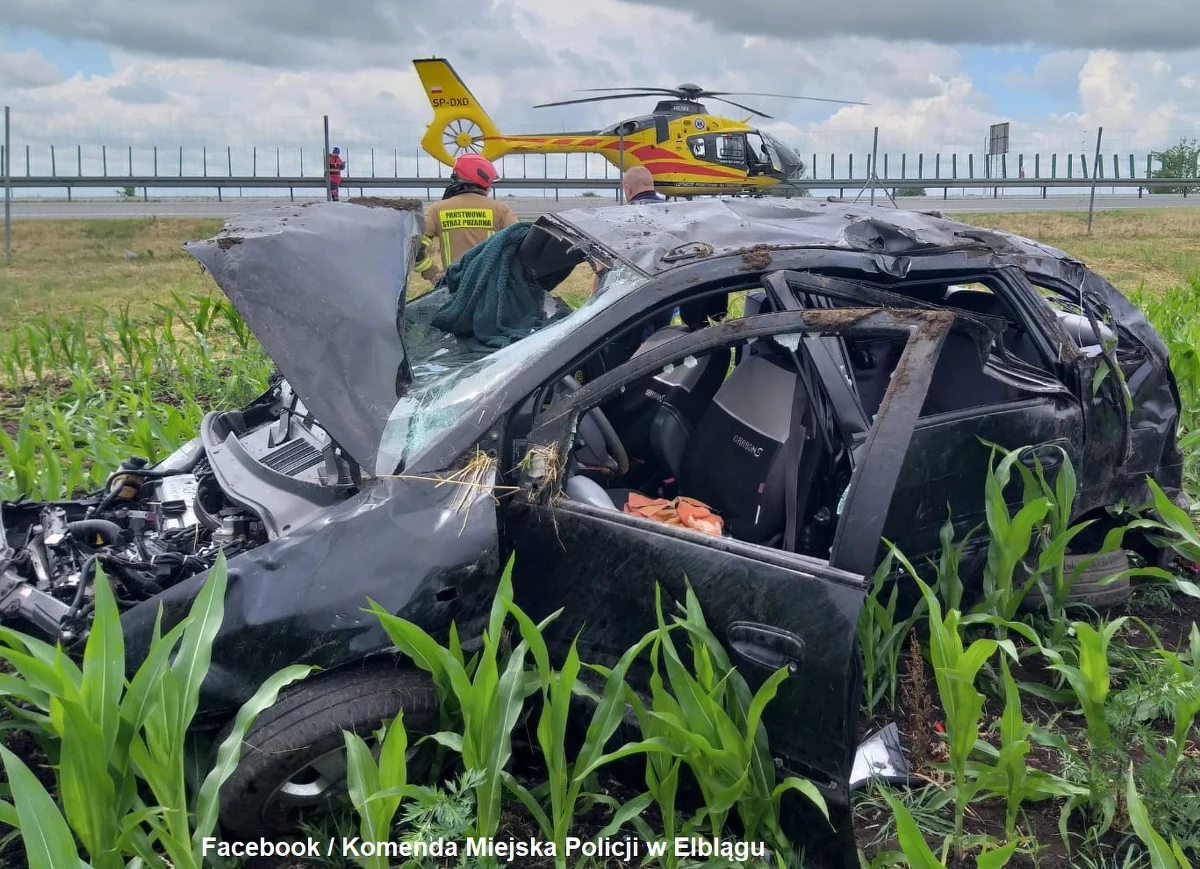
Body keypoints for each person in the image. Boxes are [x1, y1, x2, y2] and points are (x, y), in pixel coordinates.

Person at [414, 153, 518, 285]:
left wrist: (432, 274)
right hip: (487, 288)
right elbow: (521, 243)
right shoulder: (501, 210)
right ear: (483, 181)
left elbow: (415, 247)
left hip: (452, 287)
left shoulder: (437, 210)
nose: (490, 188)